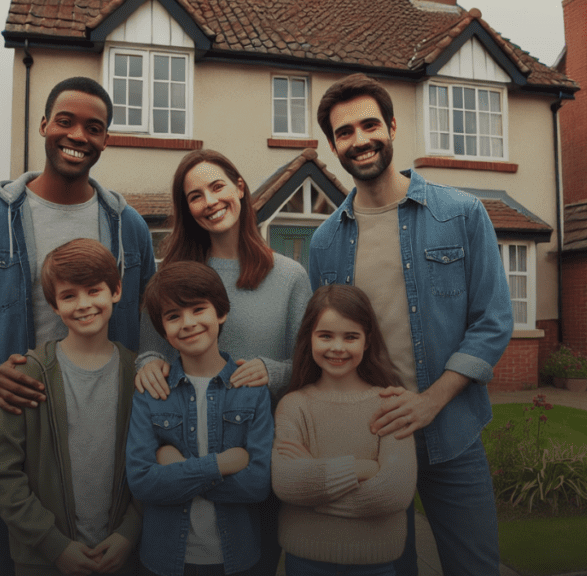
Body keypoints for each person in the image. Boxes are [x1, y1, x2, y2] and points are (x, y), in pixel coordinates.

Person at [0, 77, 156, 576]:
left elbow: (153, 315)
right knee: (15, 559)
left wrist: (153, 368)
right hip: (17, 429)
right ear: (44, 126)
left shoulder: (128, 227)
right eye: (66, 121)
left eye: (93, 128)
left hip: (111, 434)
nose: (78, 135)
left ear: (106, 140)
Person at [309, 73, 514, 576]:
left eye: (369, 124)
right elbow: (325, 346)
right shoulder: (324, 243)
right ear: (333, 145)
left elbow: (493, 321)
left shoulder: (461, 214)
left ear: (393, 127)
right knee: (386, 569)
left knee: (476, 566)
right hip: (371, 436)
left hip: (451, 429)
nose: (359, 140)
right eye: (344, 132)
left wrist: (430, 402)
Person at [135, 149, 312, 575]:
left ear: (239, 188)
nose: (210, 201)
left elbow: (309, 366)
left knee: (253, 561)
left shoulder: (289, 276)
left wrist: (275, 372)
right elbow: (149, 349)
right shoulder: (173, 275)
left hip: (254, 458)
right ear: (187, 209)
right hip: (179, 451)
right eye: (195, 196)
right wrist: (146, 365)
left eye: (217, 187)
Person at [0, 239, 141, 575]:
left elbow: (151, 463)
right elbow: (3, 473)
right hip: (43, 560)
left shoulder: (138, 375)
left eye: (94, 290)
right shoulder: (30, 373)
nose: (83, 304)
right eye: (69, 295)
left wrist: (129, 534)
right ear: (55, 306)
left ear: (115, 291)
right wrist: (54, 546)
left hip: (119, 555)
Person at [126, 261, 274, 576]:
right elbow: (142, 483)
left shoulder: (251, 390)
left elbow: (257, 485)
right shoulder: (151, 391)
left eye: (197, 309)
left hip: (237, 558)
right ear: (162, 328)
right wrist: (221, 464)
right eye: (173, 316)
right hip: (165, 559)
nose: (188, 323)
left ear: (220, 312)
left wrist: (176, 468)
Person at [272, 284, 416, 576]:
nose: (337, 347)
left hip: (376, 562)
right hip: (305, 559)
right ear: (309, 338)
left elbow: (394, 491)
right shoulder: (293, 405)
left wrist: (312, 477)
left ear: (366, 341)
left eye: (350, 337)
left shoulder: (391, 403)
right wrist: (363, 468)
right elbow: (287, 483)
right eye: (325, 336)